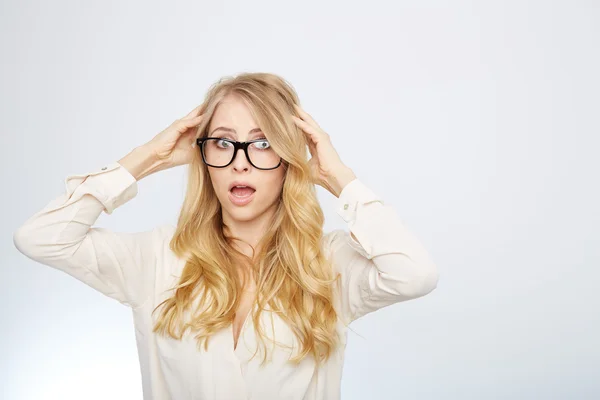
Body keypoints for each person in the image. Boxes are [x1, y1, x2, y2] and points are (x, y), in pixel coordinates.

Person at [13, 72, 440, 400]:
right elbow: (41, 237)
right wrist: (148, 157)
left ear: (290, 156)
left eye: (262, 143)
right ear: (205, 155)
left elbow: (414, 275)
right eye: (222, 142)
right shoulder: (157, 258)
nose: (240, 163)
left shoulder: (325, 265)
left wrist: (341, 179)